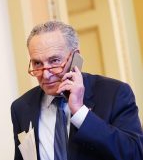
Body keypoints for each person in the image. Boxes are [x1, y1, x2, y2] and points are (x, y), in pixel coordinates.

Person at [11, 20, 143, 160]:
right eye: (37, 63)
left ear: (75, 57)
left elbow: (134, 154)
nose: (46, 75)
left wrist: (80, 112)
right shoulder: (21, 107)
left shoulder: (115, 93)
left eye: (55, 61)